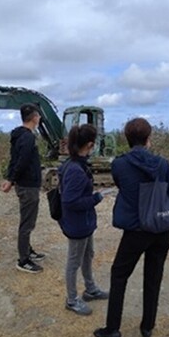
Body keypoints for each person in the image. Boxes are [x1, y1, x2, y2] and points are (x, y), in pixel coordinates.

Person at [94, 117, 169, 337]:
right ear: (149, 138)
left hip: (135, 231)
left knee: (119, 275)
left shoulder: (119, 164)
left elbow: (123, 186)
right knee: (154, 277)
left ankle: (113, 328)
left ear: (127, 138)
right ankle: (147, 327)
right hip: (161, 229)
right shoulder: (163, 164)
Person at [58, 124, 108, 316]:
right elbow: (70, 201)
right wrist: (95, 198)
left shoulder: (76, 164)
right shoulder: (75, 170)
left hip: (85, 223)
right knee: (74, 261)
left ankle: (90, 289)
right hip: (77, 225)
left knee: (88, 255)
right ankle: (71, 300)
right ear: (89, 144)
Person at [1, 103, 46, 273]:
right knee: (27, 223)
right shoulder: (28, 138)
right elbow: (22, 161)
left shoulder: (18, 136)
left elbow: (14, 160)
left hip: (24, 184)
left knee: (28, 221)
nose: (40, 118)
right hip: (28, 186)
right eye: (38, 115)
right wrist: (11, 180)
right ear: (34, 117)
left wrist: (10, 178)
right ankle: (23, 260)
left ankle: (28, 250)